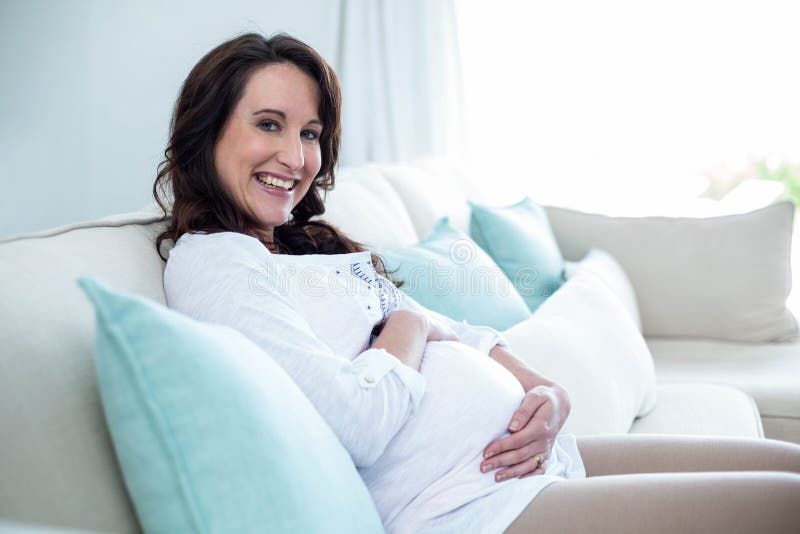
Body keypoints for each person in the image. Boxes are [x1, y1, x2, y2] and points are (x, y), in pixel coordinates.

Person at [157, 33, 800, 533]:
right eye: (269, 124)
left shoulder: (304, 248)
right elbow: (356, 423)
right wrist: (410, 325)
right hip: (462, 511)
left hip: (523, 467)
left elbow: (457, 329)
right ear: (207, 128)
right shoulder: (214, 262)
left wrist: (547, 393)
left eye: (310, 134)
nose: (296, 159)